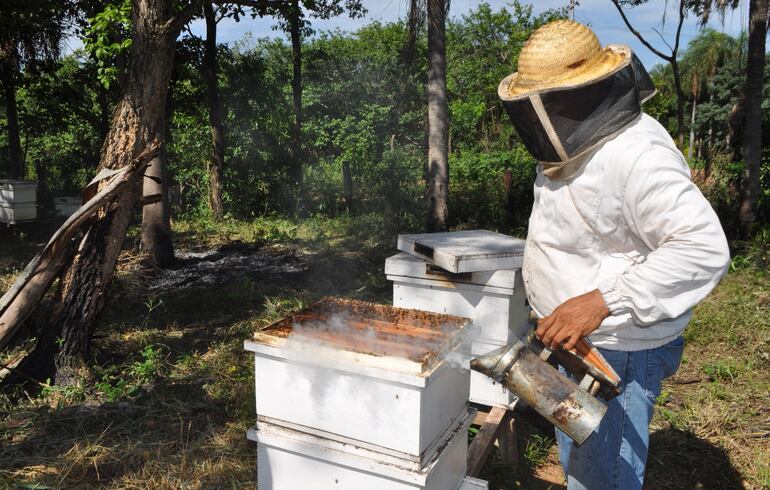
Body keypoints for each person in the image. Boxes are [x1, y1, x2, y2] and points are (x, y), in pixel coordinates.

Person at [497, 19, 730, 490]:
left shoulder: (639, 156)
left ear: (582, 95)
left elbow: (702, 248)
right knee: (583, 454)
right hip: (578, 344)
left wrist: (600, 301)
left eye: (553, 99)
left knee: (607, 476)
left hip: (619, 347)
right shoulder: (571, 146)